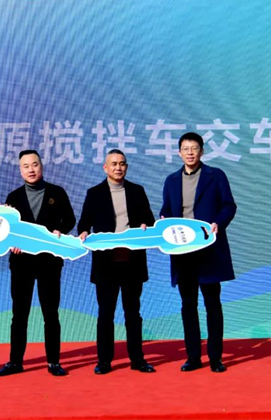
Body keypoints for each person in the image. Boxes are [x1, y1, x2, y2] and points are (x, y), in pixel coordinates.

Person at [160, 132, 237, 373]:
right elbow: (166, 209)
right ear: (179, 153)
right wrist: (163, 220)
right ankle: (193, 357)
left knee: (212, 303)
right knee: (188, 305)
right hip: (183, 252)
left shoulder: (216, 176)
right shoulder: (171, 181)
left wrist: (218, 223)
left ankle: (215, 357)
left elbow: (229, 205)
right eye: (186, 148)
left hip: (208, 249)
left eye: (194, 148)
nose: (190, 152)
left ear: (202, 151)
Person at [0, 150, 76, 377]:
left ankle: (53, 362)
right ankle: (15, 361)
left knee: (50, 313)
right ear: (20, 170)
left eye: (34, 165)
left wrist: (60, 230)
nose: (31, 170)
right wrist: (11, 242)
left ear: (41, 166)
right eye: (26, 166)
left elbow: (70, 219)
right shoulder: (13, 197)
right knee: (19, 314)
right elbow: (7, 229)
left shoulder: (57, 192)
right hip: (21, 263)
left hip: (49, 261)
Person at [78, 149, 156, 375]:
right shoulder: (95, 193)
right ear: (105, 168)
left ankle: (137, 359)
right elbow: (84, 222)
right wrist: (83, 232)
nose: (118, 167)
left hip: (132, 262)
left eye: (122, 163)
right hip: (106, 264)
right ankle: (104, 361)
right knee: (106, 314)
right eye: (113, 164)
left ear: (126, 167)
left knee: (133, 314)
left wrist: (146, 225)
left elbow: (149, 220)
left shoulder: (137, 191)